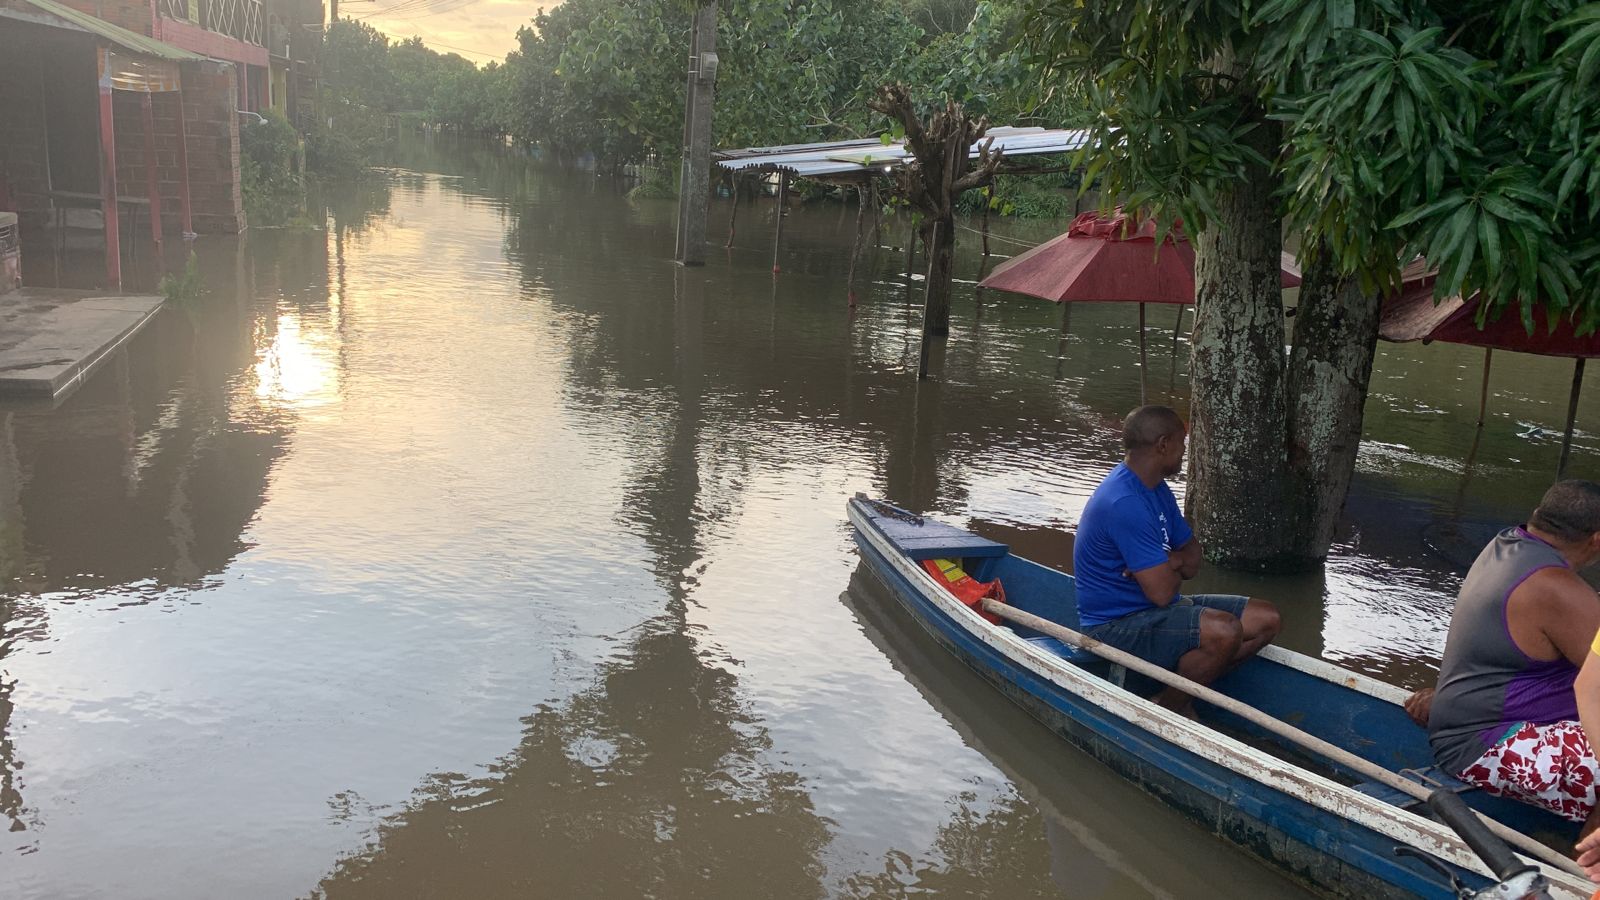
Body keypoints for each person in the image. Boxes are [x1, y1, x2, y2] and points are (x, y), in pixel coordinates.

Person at [1412, 480, 1600, 837]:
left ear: (1537, 518)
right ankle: (1587, 872)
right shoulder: (1558, 589)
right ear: (1596, 541)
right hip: (1487, 744)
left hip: (1470, 725)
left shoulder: (1506, 544)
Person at [1073, 405, 1281, 713]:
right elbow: (1162, 593)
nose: (1185, 451)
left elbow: (1194, 559)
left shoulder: (1156, 490)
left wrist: (1167, 562)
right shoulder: (1124, 501)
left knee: (1266, 619)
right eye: (1182, 442)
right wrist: (1171, 564)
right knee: (1224, 631)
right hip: (1114, 625)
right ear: (1163, 444)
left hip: (1157, 611)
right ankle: (1169, 708)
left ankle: (1179, 683)